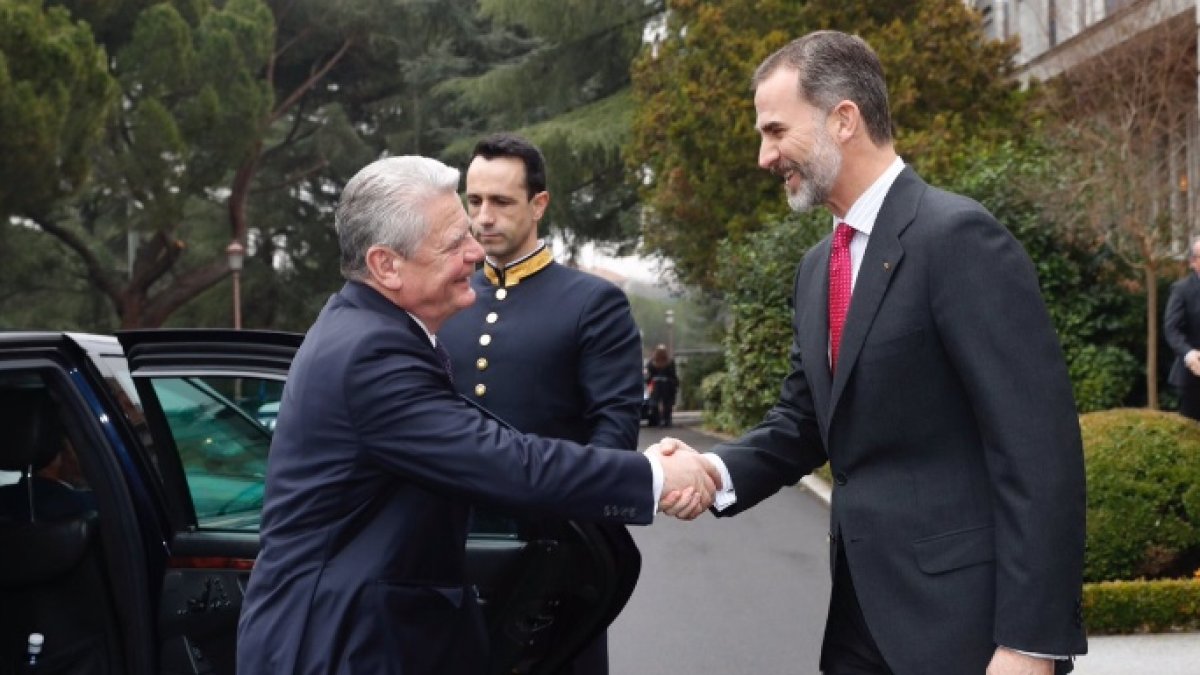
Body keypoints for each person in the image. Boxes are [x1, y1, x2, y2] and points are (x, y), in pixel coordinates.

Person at [659, 31, 1087, 675]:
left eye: (775, 131)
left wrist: (1030, 642)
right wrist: (711, 474)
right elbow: (802, 423)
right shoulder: (815, 270)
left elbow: (1039, 452)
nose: (763, 156)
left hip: (964, 631)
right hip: (859, 625)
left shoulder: (957, 238)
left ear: (844, 119)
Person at [235, 155, 717, 675]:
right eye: (452, 243)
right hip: (337, 642)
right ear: (386, 265)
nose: (473, 252)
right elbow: (504, 461)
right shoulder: (369, 353)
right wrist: (657, 474)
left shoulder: (367, 331)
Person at [439, 134, 643, 675]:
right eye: (474, 200)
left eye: (502, 202)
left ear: (539, 204)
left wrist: (577, 549)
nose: (483, 217)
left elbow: (614, 431)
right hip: (445, 553)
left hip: (549, 558)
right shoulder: (445, 299)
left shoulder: (591, 303)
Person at [1164, 237, 1200, 421]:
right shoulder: (1182, 290)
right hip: (1194, 375)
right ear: (1194, 262)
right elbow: (1172, 329)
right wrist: (1188, 354)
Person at [644, 344, 679, 428]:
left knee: (655, 403)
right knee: (667, 404)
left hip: (656, 385)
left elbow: (648, 375)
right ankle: (667, 420)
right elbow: (673, 374)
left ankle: (658, 421)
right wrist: (675, 384)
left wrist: (649, 383)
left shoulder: (651, 362)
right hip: (667, 385)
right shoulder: (669, 362)